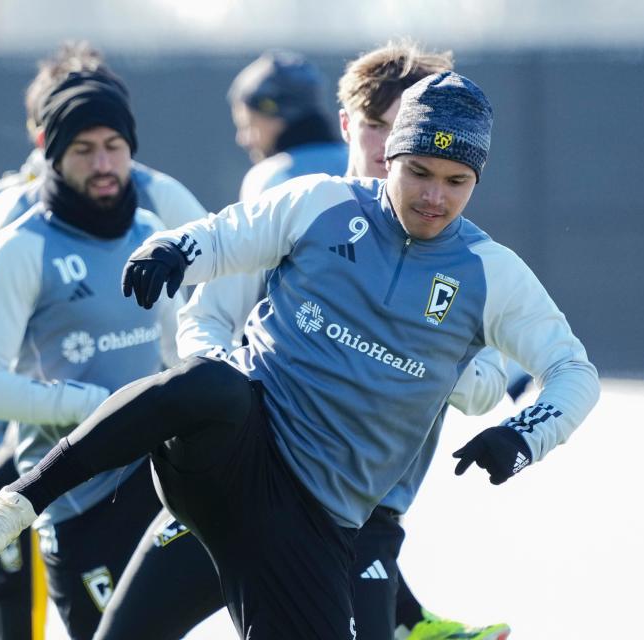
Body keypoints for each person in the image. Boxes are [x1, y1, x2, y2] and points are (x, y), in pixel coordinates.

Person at [0, 71, 600, 640]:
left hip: (320, 525)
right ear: (391, 158)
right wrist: (172, 251)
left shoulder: (492, 274)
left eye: (456, 181)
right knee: (210, 385)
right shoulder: (321, 204)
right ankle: (20, 499)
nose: (434, 196)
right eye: (419, 173)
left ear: (476, 180)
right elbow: (222, 237)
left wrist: (522, 436)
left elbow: (573, 373)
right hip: (234, 454)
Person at [94, 41, 513, 640]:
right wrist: (226, 409)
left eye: (411, 131)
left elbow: (484, 388)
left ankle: (414, 623)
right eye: (378, 126)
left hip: (353, 523)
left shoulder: (467, 261)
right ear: (347, 124)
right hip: (238, 487)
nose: (393, 145)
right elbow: (203, 323)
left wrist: (428, 358)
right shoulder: (296, 211)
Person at [0, 41, 208, 640]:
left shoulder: (151, 230)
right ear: (52, 155)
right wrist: (89, 407)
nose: (103, 163)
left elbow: (183, 348)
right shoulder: (20, 247)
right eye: (84, 150)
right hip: (71, 496)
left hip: (154, 482)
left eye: (114, 147)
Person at [228, 49, 347, 201]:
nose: (242, 139)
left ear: (276, 118)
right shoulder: (362, 166)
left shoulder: (268, 178)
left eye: (248, 125)